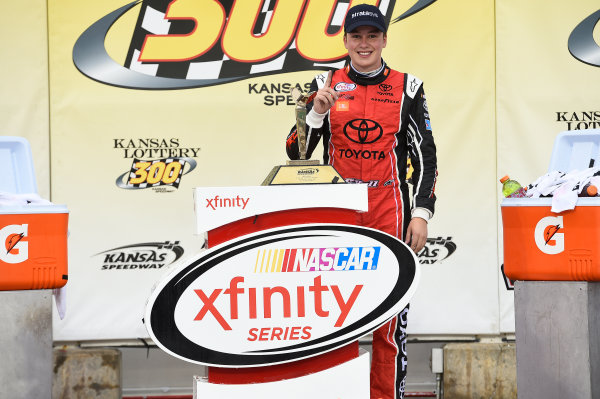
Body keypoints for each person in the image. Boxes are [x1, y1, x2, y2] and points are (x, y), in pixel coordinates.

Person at [285, 4, 438, 399]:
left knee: (390, 316)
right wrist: (316, 113)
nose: (364, 43)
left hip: (390, 204)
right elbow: (297, 155)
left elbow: (426, 156)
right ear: (346, 41)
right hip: (338, 208)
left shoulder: (408, 86)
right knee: (333, 311)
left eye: (372, 36)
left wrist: (421, 213)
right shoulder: (325, 82)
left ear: (385, 40)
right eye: (357, 36)